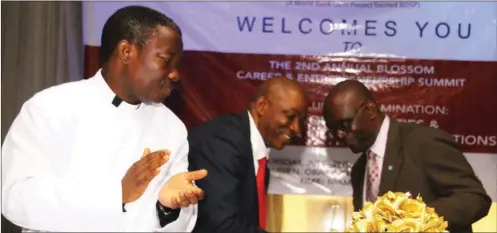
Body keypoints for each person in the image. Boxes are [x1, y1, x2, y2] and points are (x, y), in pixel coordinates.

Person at [1, 5, 207, 232]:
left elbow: (179, 220)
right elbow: (15, 199)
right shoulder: (50, 108)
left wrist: (167, 208)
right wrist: (117, 194)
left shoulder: (172, 127)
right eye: (165, 60)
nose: (175, 73)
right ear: (126, 52)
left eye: (177, 65)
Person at [322, 79, 491, 233]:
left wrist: (411, 220)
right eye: (333, 131)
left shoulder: (423, 142)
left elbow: (474, 199)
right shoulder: (359, 170)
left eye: (344, 125)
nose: (340, 135)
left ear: (370, 109)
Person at [187, 77, 309, 233]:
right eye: (291, 116)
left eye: (302, 120)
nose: (297, 128)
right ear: (261, 106)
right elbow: (222, 226)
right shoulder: (223, 143)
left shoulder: (253, 149)